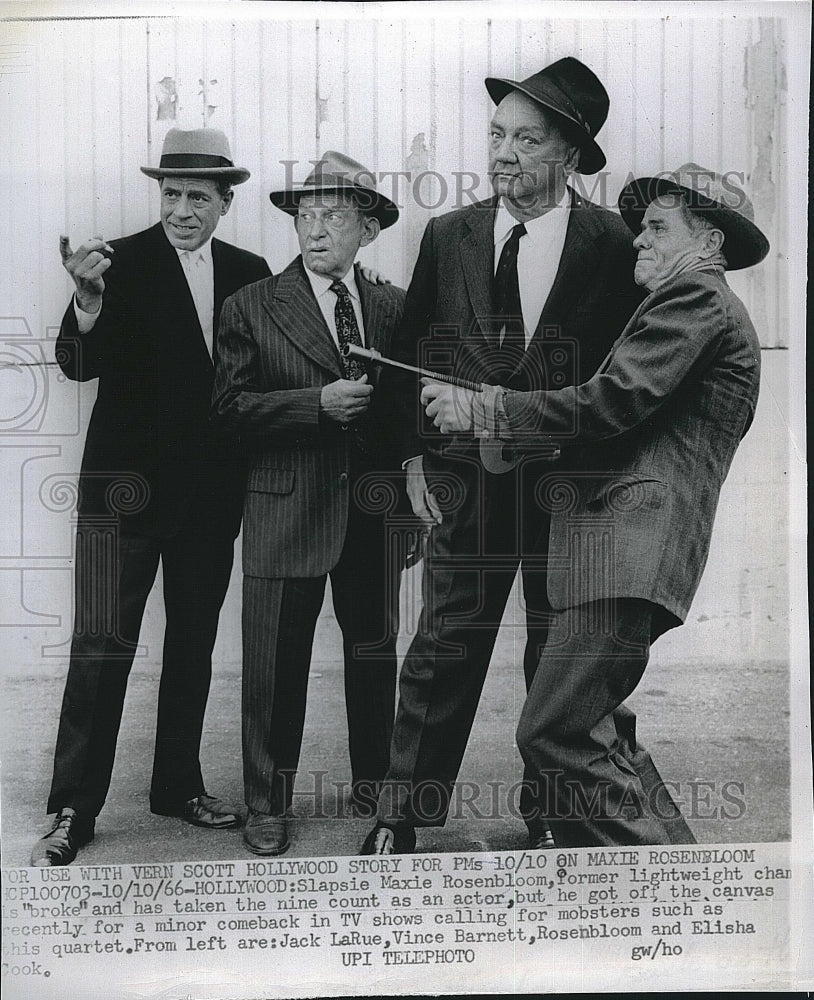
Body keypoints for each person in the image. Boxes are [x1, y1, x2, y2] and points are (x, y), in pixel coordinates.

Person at [419, 163, 768, 846]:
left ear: (711, 245)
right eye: (640, 228)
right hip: (621, 557)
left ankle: (650, 897)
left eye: (658, 228)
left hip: (627, 553)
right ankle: (681, 883)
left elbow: (610, 403)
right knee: (599, 731)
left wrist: (484, 409)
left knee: (554, 729)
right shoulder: (693, 305)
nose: (638, 240)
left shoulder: (693, 299)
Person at [360, 57, 644, 855]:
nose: (503, 152)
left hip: (573, 491)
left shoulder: (616, 245)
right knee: (443, 646)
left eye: (526, 137)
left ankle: (555, 809)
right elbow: (411, 345)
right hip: (466, 485)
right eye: (496, 134)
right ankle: (402, 814)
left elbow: (627, 380)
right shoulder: (449, 235)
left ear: (570, 152)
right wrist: (412, 460)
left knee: (562, 656)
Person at [30, 128, 271, 867]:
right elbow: (76, 364)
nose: (182, 210)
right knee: (101, 650)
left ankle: (177, 786)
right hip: (120, 499)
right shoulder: (116, 263)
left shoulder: (251, 272)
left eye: (199, 197)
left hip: (207, 502)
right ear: (158, 196)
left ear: (226, 203)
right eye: (171, 194)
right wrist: (87, 299)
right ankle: (74, 806)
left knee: (193, 648)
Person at [212, 152, 407, 857]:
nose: (316, 229)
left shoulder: (390, 304)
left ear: (368, 229)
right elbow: (227, 411)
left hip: (370, 516)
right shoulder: (252, 306)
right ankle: (267, 802)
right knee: (273, 664)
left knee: (374, 653)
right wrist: (313, 406)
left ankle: (376, 785)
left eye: (334, 216)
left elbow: (405, 419)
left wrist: (406, 512)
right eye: (306, 216)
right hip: (285, 511)